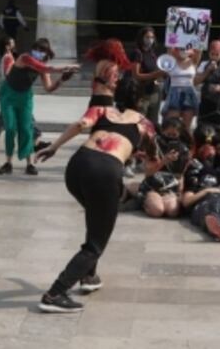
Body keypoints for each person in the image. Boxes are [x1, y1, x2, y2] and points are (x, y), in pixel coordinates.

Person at [34, 76, 155, 313]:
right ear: (141, 100)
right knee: (96, 243)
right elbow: (151, 160)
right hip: (104, 172)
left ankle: (88, 276)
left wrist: (53, 147)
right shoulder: (144, 123)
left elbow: (80, 125)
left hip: (76, 167)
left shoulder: (101, 109)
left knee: (95, 218)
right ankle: (55, 294)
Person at [0, 38, 78, 176]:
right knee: (10, 128)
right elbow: (43, 67)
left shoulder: (42, 66)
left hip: (25, 97)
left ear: (46, 53)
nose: (38, 52)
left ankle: (29, 164)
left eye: (42, 50)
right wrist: (64, 67)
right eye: (37, 49)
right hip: (8, 95)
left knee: (27, 129)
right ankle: (8, 162)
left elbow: (49, 88)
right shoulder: (25, 57)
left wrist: (62, 79)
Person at [0, 36, 42, 153]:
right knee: (26, 116)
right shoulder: (8, 58)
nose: (14, 44)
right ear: (7, 46)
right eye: (12, 43)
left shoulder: (9, 57)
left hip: (8, 92)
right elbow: (8, 74)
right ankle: (36, 139)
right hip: (11, 92)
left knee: (3, 120)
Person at [195, 39, 220, 129]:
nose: (214, 57)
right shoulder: (203, 65)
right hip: (205, 102)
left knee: (218, 128)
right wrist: (207, 71)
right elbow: (195, 81)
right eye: (212, 54)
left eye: (217, 54)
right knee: (202, 127)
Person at [129, 26, 166, 126]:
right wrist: (155, 74)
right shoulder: (137, 53)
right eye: (147, 37)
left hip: (154, 92)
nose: (150, 40)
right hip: (142, 93)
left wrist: (162, 74)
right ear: (141, 38)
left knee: (152, 123)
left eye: (152, 37)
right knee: (140, 122)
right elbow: (136, 75)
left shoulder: (152, 53)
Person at [163, 47, 201, 127]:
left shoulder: (193, 61)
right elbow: (170, 48)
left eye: (186, 48)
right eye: (181, 48)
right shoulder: (171, 61)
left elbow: (199, 48)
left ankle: (186, 139)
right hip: (174, 93)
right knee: (172, 123)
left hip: (189, 94)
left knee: (186, 126)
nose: (183, 51)